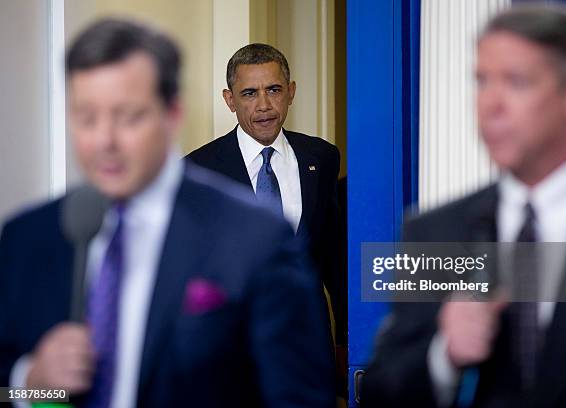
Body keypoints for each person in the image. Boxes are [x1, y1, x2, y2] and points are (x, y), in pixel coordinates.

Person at [0, 18, 335, 408]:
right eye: (86, 117)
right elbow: (9, 388)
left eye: (129, 116)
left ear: (171, 114)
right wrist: (32, 379)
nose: (105, 140)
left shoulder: (254, 236)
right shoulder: (28, 237)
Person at [361, 2, 566, 407]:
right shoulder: (434, 233)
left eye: (515, 81)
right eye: (482, 81)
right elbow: (381, 392)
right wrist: (443, 356)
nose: (489, 105)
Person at [186, 43, 346, 376]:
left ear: (291, 92)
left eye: (273, 90)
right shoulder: (198, 170)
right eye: (249, 93)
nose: (263, 105)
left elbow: (333, 257)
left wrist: (349, 334)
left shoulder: (322, 157)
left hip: (306, 345)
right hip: (230, 351)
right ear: (230, 100)